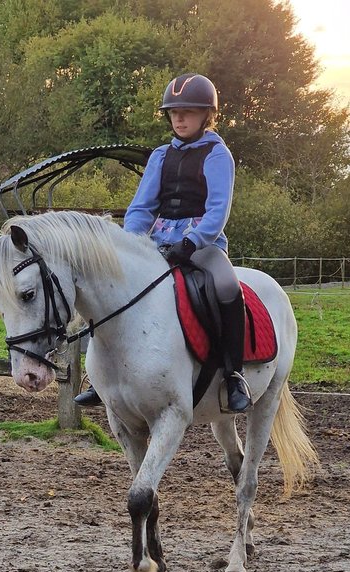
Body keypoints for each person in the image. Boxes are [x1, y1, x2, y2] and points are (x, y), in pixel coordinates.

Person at [74, 72, 252, 413]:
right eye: (174, 112)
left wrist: (192, 242)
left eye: (188, 111)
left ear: (206, 115)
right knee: (111, 289)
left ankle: (233, 375)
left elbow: (218, 210)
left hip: (203, 244)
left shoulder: (217, 155)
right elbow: (142, 207)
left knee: (229, 289)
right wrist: (128, 244)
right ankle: (100, 377)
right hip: (155, 243)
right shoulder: (159, 156)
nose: (180, 118)